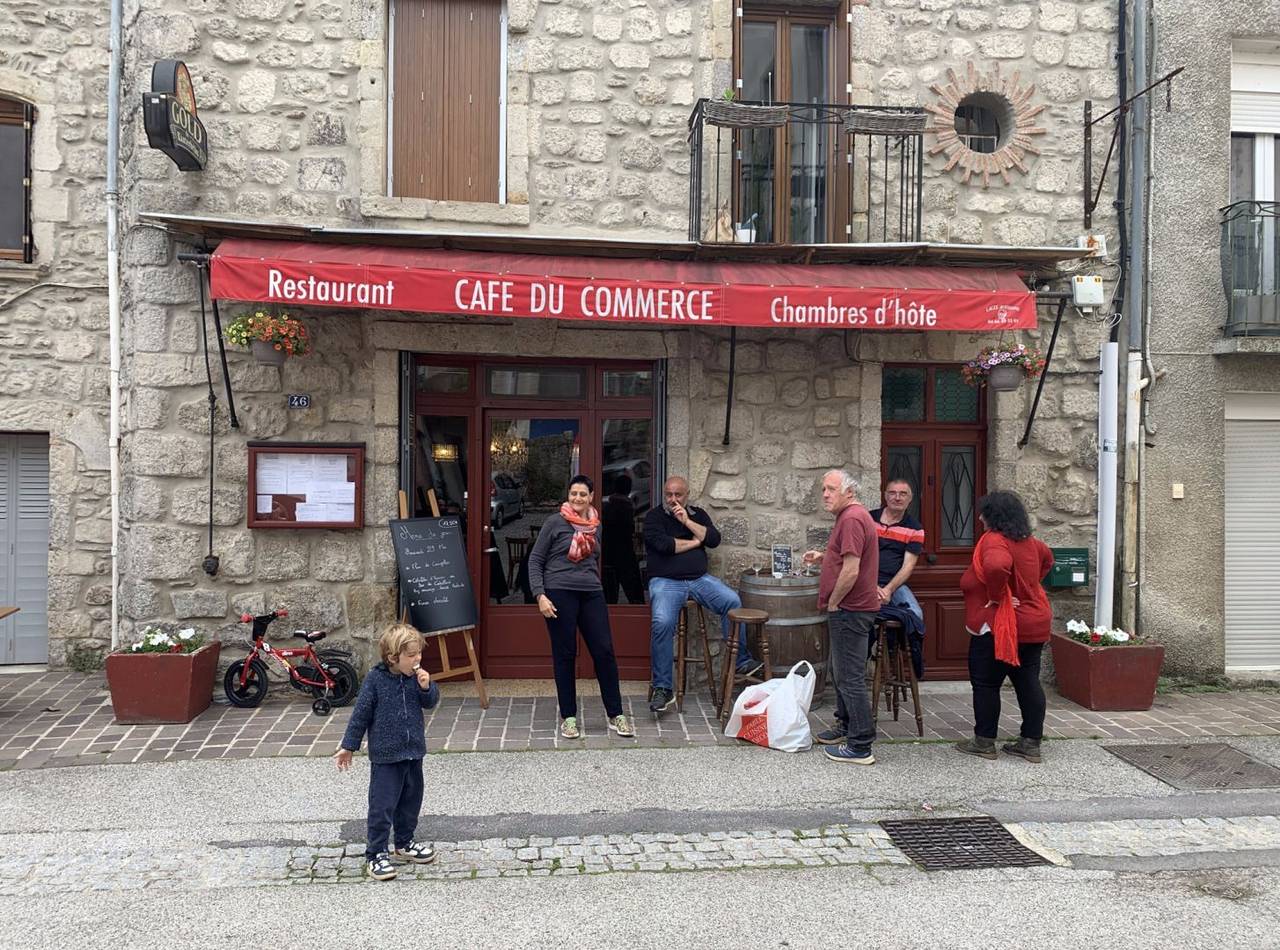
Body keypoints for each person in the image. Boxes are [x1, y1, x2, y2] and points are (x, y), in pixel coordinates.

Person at [528, 474, 635, 740]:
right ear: (568, 495)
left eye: (582, 494)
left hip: (591, 592)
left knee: (604, 651)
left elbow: (595, 558)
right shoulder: (555, 523)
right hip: (558, 592)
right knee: (565, 655)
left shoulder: (595, 525)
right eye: (573, 493)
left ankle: (616, 714)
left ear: (591, 497)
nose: (577, 498)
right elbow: (535, 561)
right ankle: (569, 718)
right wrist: (540, 595)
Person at [643, 476, 761, 714]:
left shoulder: (698, 514)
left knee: (732, 602)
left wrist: (687, 522)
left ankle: (741, 662)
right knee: (662, 621)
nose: (673, 499)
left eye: (678, 495)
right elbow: (667, 546)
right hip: (666, 582)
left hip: (699, 580)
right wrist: (697, 542)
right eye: (669, 494)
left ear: (687, 495)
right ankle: (663, 688)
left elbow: (714, 540)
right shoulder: (654, 517)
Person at [955, 490, 1055, 764]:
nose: (979, 517)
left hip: (1000, 626)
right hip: (1034, 622)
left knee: (986, 683)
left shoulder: (994, 541)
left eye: (983, 513)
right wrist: (1028, 587)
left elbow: (998, 567)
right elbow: (1048, 560)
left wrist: (998, 595)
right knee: (1028, 682)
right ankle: (1030, 742)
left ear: (993, 516)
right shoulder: (1031, 543)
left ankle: (984, 741)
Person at [335, 623, 441, 882]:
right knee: (382, 806)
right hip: (386, 757)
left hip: (413, 753)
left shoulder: (414, 679)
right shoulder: (376, 680)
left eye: (418, 654)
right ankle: (376, 852)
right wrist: (349, 746)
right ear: (393, 657)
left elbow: (429, 703)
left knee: (410, 802)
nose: (417, 660)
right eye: (411, 655)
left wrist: (427, 687)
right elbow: (361, 715)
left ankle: (404, 842)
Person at [802, 470, 880, 765]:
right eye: (823, 488)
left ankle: (860, 745)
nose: (825, 494)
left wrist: (834, 602)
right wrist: (825, 558)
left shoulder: (851, 518)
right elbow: (848, 558)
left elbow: (851, 569)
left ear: (849, 492)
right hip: (853, 608)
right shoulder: (854, 517)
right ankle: (846, 726)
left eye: (831, 489)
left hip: (851, 609)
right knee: (841, 671)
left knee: (850, 677)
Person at [868, 479, 925, 622]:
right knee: (860, 615)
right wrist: (871, 586)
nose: (897, 498)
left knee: (915, 615)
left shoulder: (915, 529)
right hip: (865, 581)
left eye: (903, 494)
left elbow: (908, 567)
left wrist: (888, 590)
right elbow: (857, 556)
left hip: (894, 584)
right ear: (885, 496)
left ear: (910, 499)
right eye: (892, 493)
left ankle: (897, 645)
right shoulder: (868, 519)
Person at [601, 473, 644, 605]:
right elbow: (631, 530)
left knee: (609, 594)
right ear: (629, 489)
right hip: (625, 552)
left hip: (607, 552)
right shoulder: (627, 507)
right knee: (634, 590)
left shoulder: (605, 507)